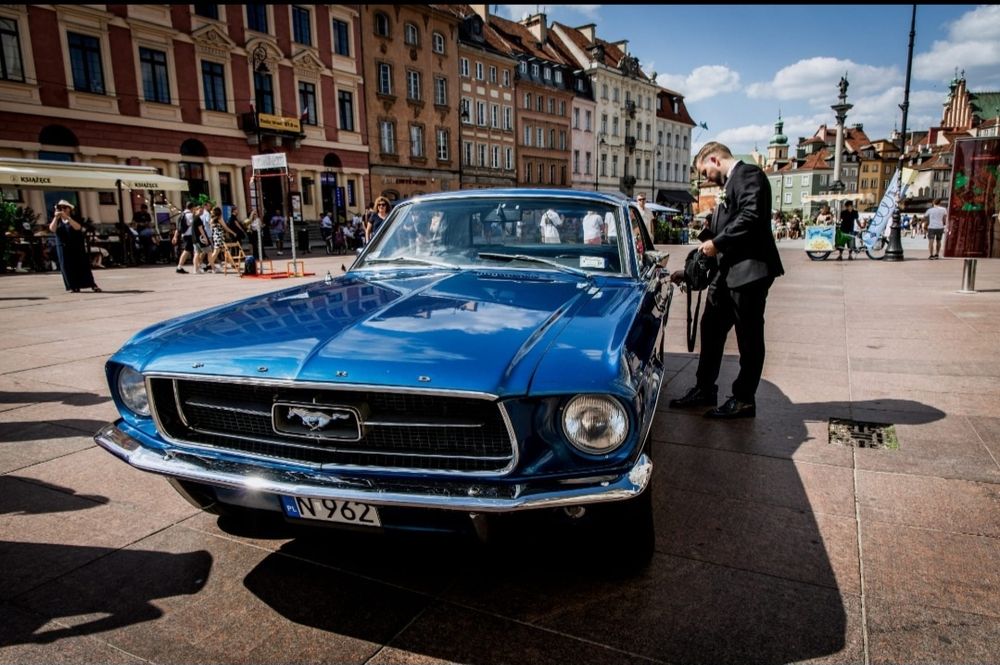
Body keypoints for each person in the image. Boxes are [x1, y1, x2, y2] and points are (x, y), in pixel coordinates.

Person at [669, 141, 783, 419]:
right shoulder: (729, 185)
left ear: (715, 160)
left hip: (748, 273)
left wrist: (717, 243)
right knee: (710, 330)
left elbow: (751, 217)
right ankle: (705, 388)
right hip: (725, 275)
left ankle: (744, 398)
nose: (705, 178)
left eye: (704, 172)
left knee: (749, 337)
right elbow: (723, 229)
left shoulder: (749, 175)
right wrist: (693, 268)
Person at [48, 200, 101, 292]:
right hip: (62, 246)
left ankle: (90, 284)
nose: (62, 210)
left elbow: (78, 227)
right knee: (66, 266)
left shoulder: (75, 218)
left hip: (76, 245)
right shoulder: (57, 220)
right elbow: (52, 229)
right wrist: (56, 217)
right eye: (60, 208)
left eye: (64, 207)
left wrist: (68, 218)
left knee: (81, 264)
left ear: (69, 209)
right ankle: (73, 286)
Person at [174, 202, 195, 273]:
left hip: (184, 235)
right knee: (187, 251)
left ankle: (199, 265)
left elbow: (178, 228)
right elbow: (193, 224)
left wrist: (175, 236)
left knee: (193, 251)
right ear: (192, 207)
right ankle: (179, 267)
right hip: (189, 235)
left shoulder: (182, 214)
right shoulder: (190, 215)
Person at [190, 205, 211, 273]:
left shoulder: (194, 218)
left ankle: (196, 269)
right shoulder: (198, 219)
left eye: (202, 211)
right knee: (209, 251)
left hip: (194, 239)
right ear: (196, 211)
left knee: (197, 254)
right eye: (200, 211)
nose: (201, 212)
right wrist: (205, 238)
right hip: (199, 239)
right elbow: (201, 230)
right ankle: (211, 267)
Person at [206, 207, 226, 273]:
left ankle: (209, 265)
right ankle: (209, 265)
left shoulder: (212, 219)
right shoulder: (219, 218)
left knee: (218, 251)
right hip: (219, 236)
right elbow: (225, 226)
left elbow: (211, 228)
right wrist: (232, 232)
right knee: (216, 252)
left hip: (215, 236)